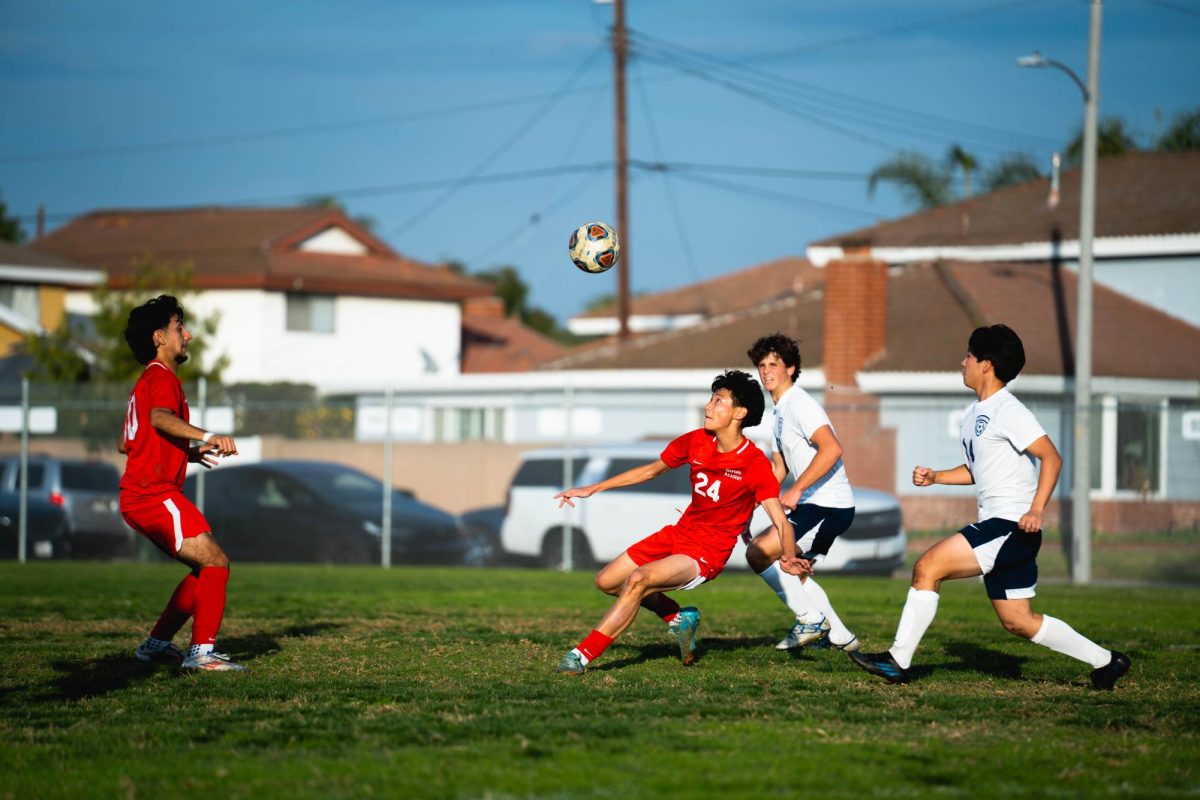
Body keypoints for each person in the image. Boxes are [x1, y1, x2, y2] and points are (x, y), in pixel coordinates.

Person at [849, 324, 1131, 689]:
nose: (962, 361)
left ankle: (897, 661)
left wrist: (1037, 510)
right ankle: (1107, 662)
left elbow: (1052, 458)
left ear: (986, 364)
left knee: (927, 567)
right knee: (1018, 621)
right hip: (1008, 528)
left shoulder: (1007, 410)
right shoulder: (973, 414)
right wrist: (936, 476)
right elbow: (976, 471)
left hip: (1010, 525)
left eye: (968, 355)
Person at [553, 370, 797, 674]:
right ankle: (678, 618)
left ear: (740, 412)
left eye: (718, 400)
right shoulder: (696, 441)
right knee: (607, 581)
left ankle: (581, 656)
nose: (708, 406)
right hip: (678, 534)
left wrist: (788, 556)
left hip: (707, 552)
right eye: (711, 399)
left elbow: (780, 520)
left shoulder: (754, 463)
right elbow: (650, 471)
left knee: (639, 580)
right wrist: (593, 488)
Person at [120, 295, 246, 672]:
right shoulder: (160, 377)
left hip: (140, 496)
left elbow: (126, 441)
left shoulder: (147, 380)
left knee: (204, 568)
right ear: (160, 336)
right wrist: (206, 435)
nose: (187, 335)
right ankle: (202, 655)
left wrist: (184, 455)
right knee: (216, 561)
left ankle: (157, 646)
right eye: (179, 328)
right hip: (153, 495)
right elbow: (159, 419)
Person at [745, 333, 860, 652]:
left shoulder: (800, 404)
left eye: (774, 364)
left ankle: (810, 620)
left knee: (759, 553)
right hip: (814, 504)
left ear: (791, 368)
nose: (766, 371)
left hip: (828, 506)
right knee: (791, 569)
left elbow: (832, 449)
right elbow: (778, 470)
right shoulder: (779, 412)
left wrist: (797, 489)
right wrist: (747, 504)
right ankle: (840, 636)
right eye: (762, 365)